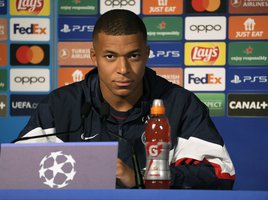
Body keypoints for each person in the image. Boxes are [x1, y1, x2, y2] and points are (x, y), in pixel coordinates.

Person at [18, 9, 235, 189]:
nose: (123, 69)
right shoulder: (60, 106)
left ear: (147, 54)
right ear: (94, 57)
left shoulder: (180, 104)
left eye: (133, 56)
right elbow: (13, 171)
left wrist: (143, 178)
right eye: (110, 56)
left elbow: (221, 175)